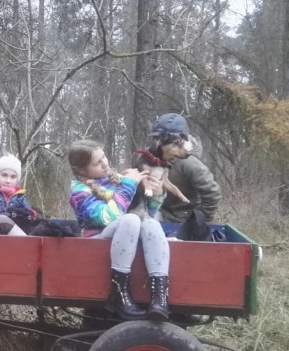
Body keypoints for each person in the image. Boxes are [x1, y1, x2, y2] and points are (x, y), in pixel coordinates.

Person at [67, 140, 171, 320]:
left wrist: (157, 194)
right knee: (130, 220)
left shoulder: (115, 181)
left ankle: (160, 297)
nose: (105, 163)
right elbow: (110, 217)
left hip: (127, 242)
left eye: (104, 157)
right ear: (83, 170)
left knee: (150, 223)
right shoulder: (79, 193)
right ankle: (119, 293)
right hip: (96, 243)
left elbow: (148, 213)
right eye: (97, 163)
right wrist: (129, 185)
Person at [151, 114, 222, 226]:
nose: (158, 143)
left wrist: (201, 220)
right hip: (159, 212)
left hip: (186, 217)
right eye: (157, 138)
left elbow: (212, 192)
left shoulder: (189, 163)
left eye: (163, 139)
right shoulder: (150, 157)